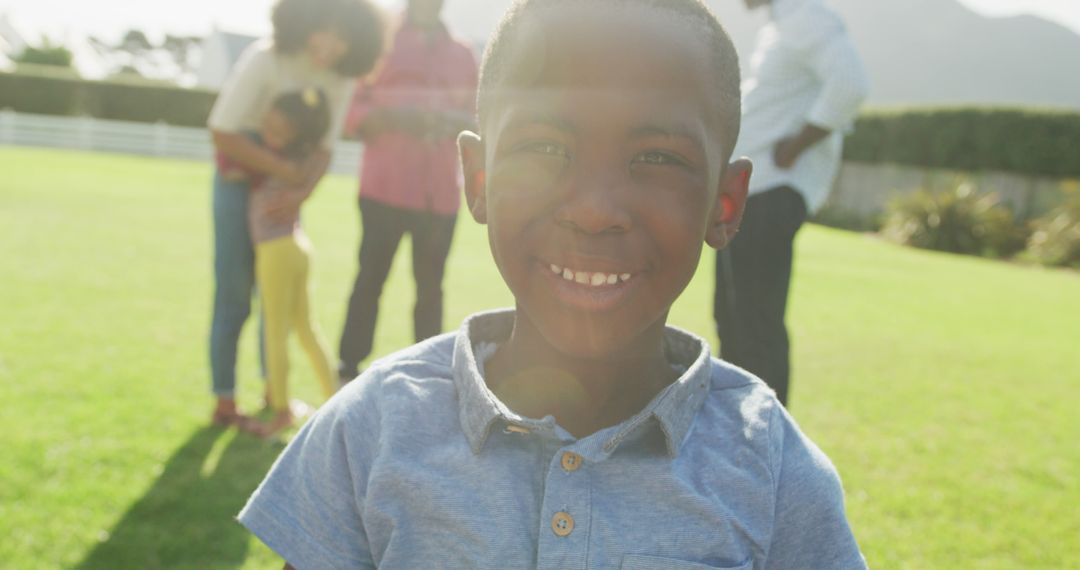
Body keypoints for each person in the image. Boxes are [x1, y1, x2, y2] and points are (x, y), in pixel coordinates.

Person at [240, 1, 866, 568]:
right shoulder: (371, 429)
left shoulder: (774, 470)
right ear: (478, 181)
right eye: (542, 146)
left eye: (657, 157)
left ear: (725, 205)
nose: (594, 209)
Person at [206, 0, 384, 427]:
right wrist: (285, 171)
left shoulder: (341, 77)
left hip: (285, 191)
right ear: (305, 20)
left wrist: (301, 191)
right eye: (326, 29)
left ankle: (276, 395)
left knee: (279, 301)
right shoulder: (266, 59)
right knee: (233, 293)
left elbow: (324, 148)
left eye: (345, 38)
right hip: (238, 178)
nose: (333, 45)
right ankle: (225, 402)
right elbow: (222, 131)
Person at [714, 0, 869, 407]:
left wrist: (796, 146)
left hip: (773, 192)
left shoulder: (807, 18)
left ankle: (767, 440)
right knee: (732, 319)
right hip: (750, 194)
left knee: (756, 324)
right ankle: (734, 429)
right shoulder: (780, 25)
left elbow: (850, 83)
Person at [336, 0, 478, 383]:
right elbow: (350, 110)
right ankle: (348, 368)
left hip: (440, 193)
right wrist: (392, 118)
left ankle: (430, 372)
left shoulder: (462, 54)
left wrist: (450, 122)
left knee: (431, 287)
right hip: (385, 186)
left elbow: (478, 115)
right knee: (370, 277)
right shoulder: (381, 42)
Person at [217, 88, 340, 438]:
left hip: (275, 251)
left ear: (295, 135)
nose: (269, 137)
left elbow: (228, 165)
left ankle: (282, 411)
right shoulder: (301, 162)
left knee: (275, 332)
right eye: (267, 127)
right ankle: (336, 400)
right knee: (306, 327)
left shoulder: (273, 162)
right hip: (298, 245)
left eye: (279, 132)